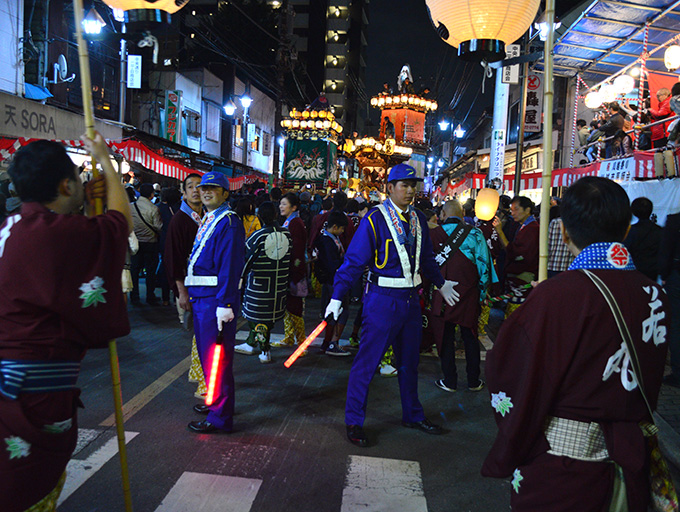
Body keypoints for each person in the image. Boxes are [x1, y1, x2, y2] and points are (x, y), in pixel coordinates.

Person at [482, 176, 669, 512]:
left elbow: (511, 372)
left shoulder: (557, 296)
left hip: (566, 466)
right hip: (631, 459)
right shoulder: (655, 295)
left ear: (564, 232)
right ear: (626, 229)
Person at [0, 133, 132, 511]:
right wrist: (107, 164)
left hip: (15, 386)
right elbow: (116, 226)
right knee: (25, 492)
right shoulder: (51, 233)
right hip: (32, 392)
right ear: (64, 184)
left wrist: (88, 204)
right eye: (78, 173)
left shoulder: (15, 226)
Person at [325, 163, 459, 447]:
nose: (410, 190)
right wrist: (337, 295)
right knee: (367, 363)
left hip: (411, 300)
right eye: (404, 185)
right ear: (390, 188)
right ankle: (354, 421)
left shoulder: (419, 219)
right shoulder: (375, 219)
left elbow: (427, 258)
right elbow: (354, 262)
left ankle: (412, 414)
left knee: (409, 363)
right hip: (382, 300)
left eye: (414, 185)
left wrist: (440, 283)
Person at [185, 172, 245, 433]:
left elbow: (230, 266)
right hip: (202, 297)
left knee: (216, 359)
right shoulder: (211, 218)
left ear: (225, 193)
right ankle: (217, 404)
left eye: (213, 189)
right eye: (203, 188)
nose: (206, 192)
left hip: (214, 300)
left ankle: (219, 416)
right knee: (209, 357)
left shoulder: (228, 222)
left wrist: (226, 303)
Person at [429, 200, 496, 393]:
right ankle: (473, 381)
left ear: (442, 214)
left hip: (442, 294)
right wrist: (483, 294)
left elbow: (426, 266)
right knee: (470, 336)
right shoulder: (475, 234)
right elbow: (485, 268)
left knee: (445, 337)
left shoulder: (434, 235)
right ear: (463, 213)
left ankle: (449, 380)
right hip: (469, 294)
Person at [235, 202, 291, 364]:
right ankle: (252, 343)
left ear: (260, 216)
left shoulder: (258, 236)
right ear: (275, 215)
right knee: (268, 319)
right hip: (279, 285)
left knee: (257, 319)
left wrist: (239, 279)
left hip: (259, 286)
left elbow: (246, 261)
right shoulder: (287, 234)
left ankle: (265, 350)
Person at [165, 173, 205, 397]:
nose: (195, 190)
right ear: (183, 192)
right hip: (191, 285)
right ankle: (201, 379)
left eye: (199, 186)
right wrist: (181, 291)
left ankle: (199, 374)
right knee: (201, 331)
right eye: (190, 187)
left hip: (206, 285)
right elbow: (174, 259)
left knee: (202, 331)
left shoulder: (206, 216)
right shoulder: (180, 220)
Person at [492, 196, 539, 316]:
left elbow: (516, 253)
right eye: (512, 210)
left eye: (516, 209)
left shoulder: (532, 229)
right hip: (516, 278)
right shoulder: (522, 226)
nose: (513, 213)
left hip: (523, 277)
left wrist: (500, 232)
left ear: (527, 210)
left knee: (517, 314)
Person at [315, 210, 351, 356]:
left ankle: (328, 343)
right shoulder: (327, 241)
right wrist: (347, 261)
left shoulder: (328, 238)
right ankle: (332, 343)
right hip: (333, 281)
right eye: (342, 228)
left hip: (332, 280)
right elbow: (332, 264)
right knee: (340, 312)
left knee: (332, 312)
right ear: (335, 227)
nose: (343, 232)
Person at [277, 192, 308, 348]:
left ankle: (301, 342)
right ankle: (289, 337)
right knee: (288, 307)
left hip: (294, 273)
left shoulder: (295, 223)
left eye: (284, 204)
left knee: (295, 308)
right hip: (290, 271)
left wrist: (294, 273)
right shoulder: (291, 221)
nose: (281, 206)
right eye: (281, 203)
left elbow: (297, 251)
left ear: (293, 207)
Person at [130, 182, 163, 304]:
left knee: (134, 270)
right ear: (151, 194)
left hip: (135, 243)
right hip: (150, 243)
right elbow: (158, 227)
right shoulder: (154, 208)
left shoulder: (131, 207)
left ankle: (134, 296)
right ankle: (150, 295)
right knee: (150, 271)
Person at [659, 209, 680, 388]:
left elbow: (666, 251)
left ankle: (678, 371)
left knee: (676, 324)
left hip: (676, 276)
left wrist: (664, 274)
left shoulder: (674, 221)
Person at [624, 197, 662, 281]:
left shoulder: (631, 231)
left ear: (633, 211)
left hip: (634, 269)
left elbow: (625, 249)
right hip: (653, 270)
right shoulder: (659, 230)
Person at [547, 206, 574, 278]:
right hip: (568, 266)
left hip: (552, 265)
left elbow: (548, 244)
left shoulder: (555, 222)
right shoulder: (577, 224)